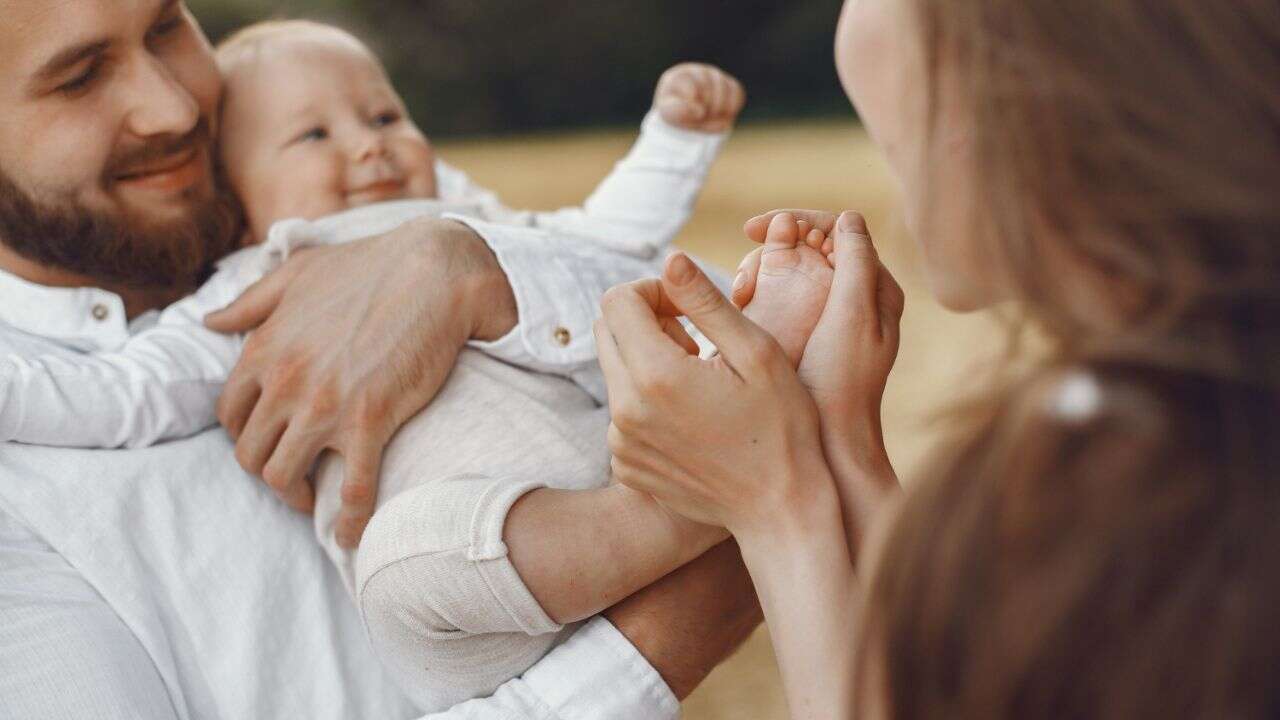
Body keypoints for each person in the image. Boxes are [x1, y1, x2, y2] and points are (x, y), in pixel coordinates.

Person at [0, 2, 760, 718]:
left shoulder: (380, 205)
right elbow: (118, 393)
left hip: (603, 456)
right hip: (464, 584)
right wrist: (665, 639)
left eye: (167, 24)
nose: (177, 110)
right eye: (78, 76)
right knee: (413, 556)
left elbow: (656, 269)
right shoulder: (236, 298)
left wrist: (471, 271)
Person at [595, 0, 1280, 717]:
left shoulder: (1148, 473)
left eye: (894, 147)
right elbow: (961, 678)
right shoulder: (1195, 404)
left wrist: (774, 503)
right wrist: (831, 432)